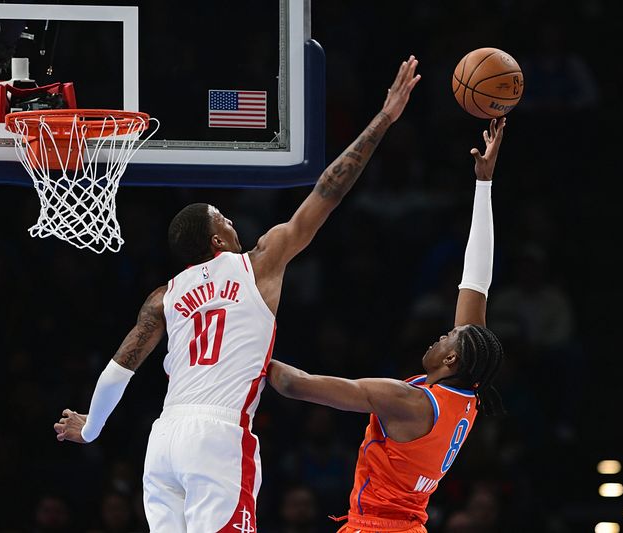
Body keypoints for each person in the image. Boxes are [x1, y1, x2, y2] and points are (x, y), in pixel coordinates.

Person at [52, 56, 422, 532]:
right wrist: (384, 119)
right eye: (224, 218)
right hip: (217, 435)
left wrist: (92, 427)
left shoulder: (163, 296)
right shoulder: (259, 262)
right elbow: (328, 190)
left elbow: (120, 367)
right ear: (217, 241)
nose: (233, 221)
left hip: (163, 439)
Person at [266, 117, 508, 533]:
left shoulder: (407, 401)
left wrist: (233, 347)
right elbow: (476, 280)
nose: (441, 333)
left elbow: (295, 384)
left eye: (447, 335)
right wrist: (483, 185)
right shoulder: (466, 389)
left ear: (451, 357)